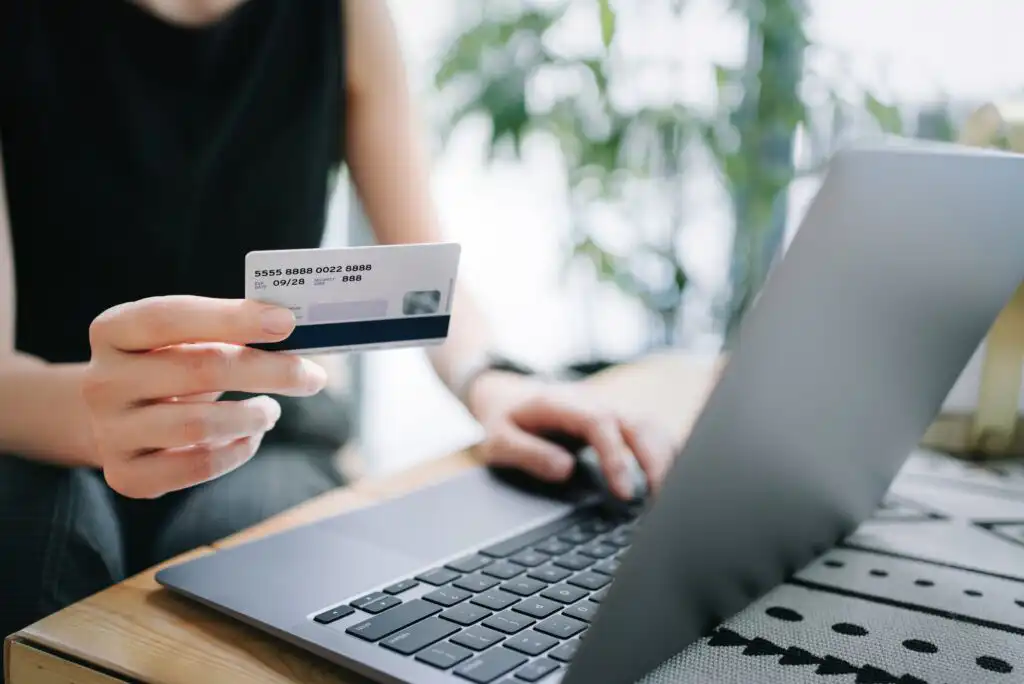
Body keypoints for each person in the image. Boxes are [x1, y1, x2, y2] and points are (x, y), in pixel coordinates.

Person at [0, 0, 675, 648]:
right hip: (42, 428)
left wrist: (491, 380)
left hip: (266, 427)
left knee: (258, 547)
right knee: (51, 542)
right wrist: (97, 416)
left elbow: (419, 269)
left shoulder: (344, 12)